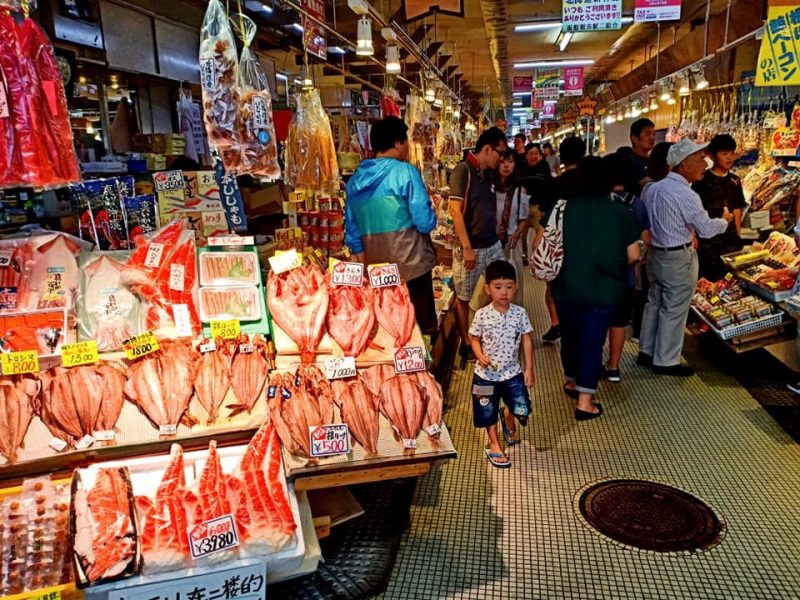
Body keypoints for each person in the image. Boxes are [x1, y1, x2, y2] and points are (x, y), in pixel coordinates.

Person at [536, 157, 641, 419]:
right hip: (603, 288)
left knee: (570, 336)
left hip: (566, 286)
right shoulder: (621, 213)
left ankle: (571, 380)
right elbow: (634, 255)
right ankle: (585, 402)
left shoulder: (561, 209)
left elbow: (541, 241)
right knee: (593, 341)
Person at [638, 138, 733, 376]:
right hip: (677, 258)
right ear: (684, 164)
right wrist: (725, 221)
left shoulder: (653, 188)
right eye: (700, 159)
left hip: (655, 254)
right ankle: (666, 360)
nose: (705, 163)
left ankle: (646, 351)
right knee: (675, 308)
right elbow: (706, 229)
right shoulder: (686, 194)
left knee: (655, 301)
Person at [344, 116, 438, 335]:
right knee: (422, 331)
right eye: (405, 141)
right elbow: (424, 222)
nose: (407, 147)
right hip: (412, 267)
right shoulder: (405, 172)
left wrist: (365, 271)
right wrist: (431, 213)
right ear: (397, 143)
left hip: (377, 272)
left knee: (389, 332)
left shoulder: (354, 181)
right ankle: (425, 367)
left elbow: (353, 235)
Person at [469, 260, 535, 468]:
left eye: (509, 287)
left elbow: (526, 339)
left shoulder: (520, 313)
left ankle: (508, 413)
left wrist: (529, 369)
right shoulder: (481, 315)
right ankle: (494, 443)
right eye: (498, 287)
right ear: (488, 289)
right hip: (485, 375)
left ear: (515, 287)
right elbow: (474, 338)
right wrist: (479, 355)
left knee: (522, 408)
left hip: (512, 373)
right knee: (486, 410)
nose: (504, 292)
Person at [450, 127, 507, 361]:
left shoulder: (489, 174)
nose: (501, 158)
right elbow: (455, 210)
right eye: (499, 153)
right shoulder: (463, 170)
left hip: (492, 245)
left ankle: (491, 334)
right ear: (486, 149)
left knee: (500, 288)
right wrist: (466, 248)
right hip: (470, 248)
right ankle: (465, 342)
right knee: (463, 297)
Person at [601, 153, 651, 382]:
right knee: (619, 322)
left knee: (598, 320)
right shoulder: (637, 204)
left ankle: (594, 363)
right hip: (626, 277)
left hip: (601, 276)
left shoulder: (601, 203)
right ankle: (613, 368)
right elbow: (645, 240)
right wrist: (636, 264)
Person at [537, 136, 587, 344]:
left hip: (557, 242)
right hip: (584, 242)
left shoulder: (556, 184)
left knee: (554, 286)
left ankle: (558, 322)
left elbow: (545, 215)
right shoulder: (590, 183)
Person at [632, 141, 673, 340]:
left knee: (650, 293)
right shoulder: (658, 187)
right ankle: (647, 337)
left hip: (651, 245)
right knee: (654, 295)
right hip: (656, 247)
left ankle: (644, 336)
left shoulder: (649, 186)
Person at [692, 134, 746, 280]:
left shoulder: (735, 180)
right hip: (708, 242)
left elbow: (737, 209)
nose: (729, 158)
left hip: (731, 241)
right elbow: (695, 212)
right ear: (713, 156)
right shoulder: (701, 180)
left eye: (732, 153)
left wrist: (738, 234)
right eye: (724, 154)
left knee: (731, 280)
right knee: (709, 280)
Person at [495, 149, 531, 299]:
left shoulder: (519, 191)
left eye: (510, 162)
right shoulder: (490, 188)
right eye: (502, 161)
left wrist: (517, 233)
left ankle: (515, 315)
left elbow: (524, 219)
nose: (506, 166)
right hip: (493, 241)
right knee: (495, 280)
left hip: (512, 241)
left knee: (514, 280)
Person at [627, 118, 656, 195]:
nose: (652, 138)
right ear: (635, 138)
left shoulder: (654, 161)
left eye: (654, 134)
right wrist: (640, 184)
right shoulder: (627, 162)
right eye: (648, 134)